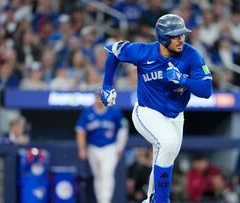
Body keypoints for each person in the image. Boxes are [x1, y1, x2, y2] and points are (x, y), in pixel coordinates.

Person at [100, 14, 213, 203]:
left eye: (182, 35)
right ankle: (161, 200)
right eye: (175, 35)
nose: (181, 39)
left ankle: (151, 198)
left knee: (166, 156)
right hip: (147, 111)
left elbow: (206, 90)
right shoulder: (143, 51)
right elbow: (114, 51)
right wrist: (107, 86)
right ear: (162, 37)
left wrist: (183, 80)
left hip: (176, 116)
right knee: (167, 143)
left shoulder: (191, 54)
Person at [75, 92, 129, 203]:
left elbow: (123, 129)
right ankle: (101, 200)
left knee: (107, 173)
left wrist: (120, 146)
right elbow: (80, 131)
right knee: (98, 175)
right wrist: (82, 148)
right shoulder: (88, 112)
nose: (99, 99)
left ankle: (106, 200)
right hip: (93, 148)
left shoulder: (114, 111)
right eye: (97, 97)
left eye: (101, 97)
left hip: (110, 147)